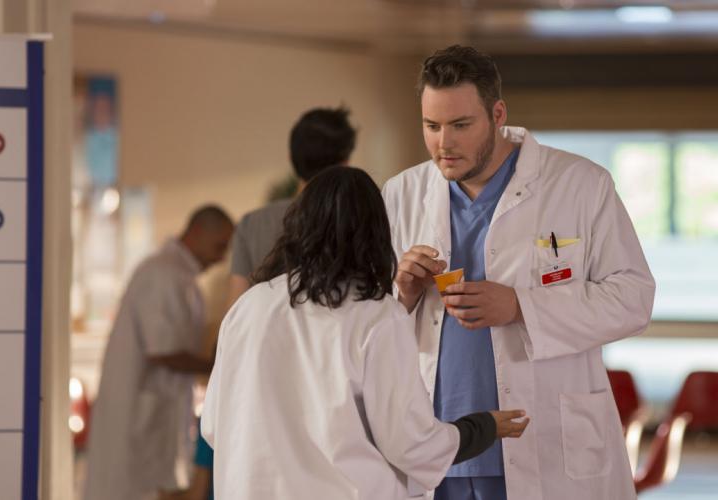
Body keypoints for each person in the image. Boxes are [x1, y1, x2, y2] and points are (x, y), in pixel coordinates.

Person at [381, 45, 656, 500]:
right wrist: (402, 293)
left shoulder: (580, 184)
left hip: (544, 440)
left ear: (497, 114)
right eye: (431, 126)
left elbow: (633, 299)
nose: (443, 144)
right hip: (437, 444)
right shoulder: (401, 194)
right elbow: (367, 323)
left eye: (460, 125)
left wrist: (520, 306)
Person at [201, 166, 530, 500]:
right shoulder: (376, 315)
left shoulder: (249, 306)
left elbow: (214, 425)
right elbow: (411, 445)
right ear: (376, 234)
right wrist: (484, 427)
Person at [84, 205, 234, 500]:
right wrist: (218, 367)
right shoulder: (163, 273)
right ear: (196, 232)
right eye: (219, 247)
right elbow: (163, 351)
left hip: (155, 415)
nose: (220, 258)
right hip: (139, 420)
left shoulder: (178, 275)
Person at [226, 106, 356, 308]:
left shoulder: (251, 224)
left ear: (291, 158)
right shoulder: (359, 220)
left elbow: (235, 308)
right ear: (345, 162)